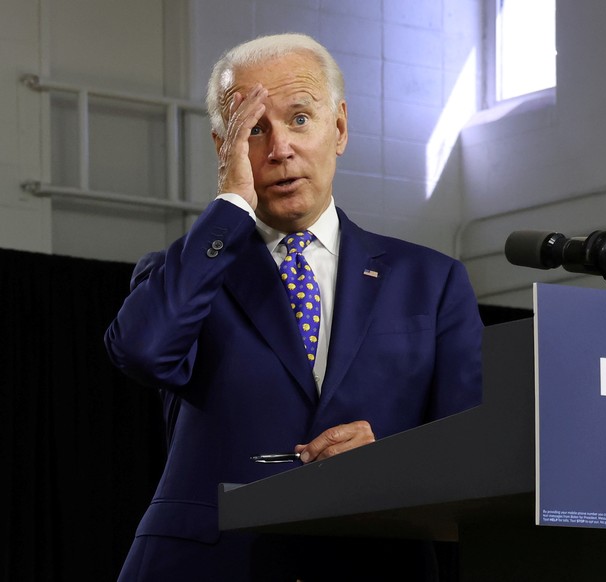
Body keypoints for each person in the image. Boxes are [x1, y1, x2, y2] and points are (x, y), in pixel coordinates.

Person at [105, 33, 482, 581]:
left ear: (341, 128)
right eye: (254, 129)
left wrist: (393, 458)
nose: (279, 147)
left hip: (374, 562)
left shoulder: (433, 281)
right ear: (224, 147)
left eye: (300, 118)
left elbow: (469, 447)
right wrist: (229, 206)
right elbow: (142, 351)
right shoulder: (185, 270)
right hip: (210, 563)